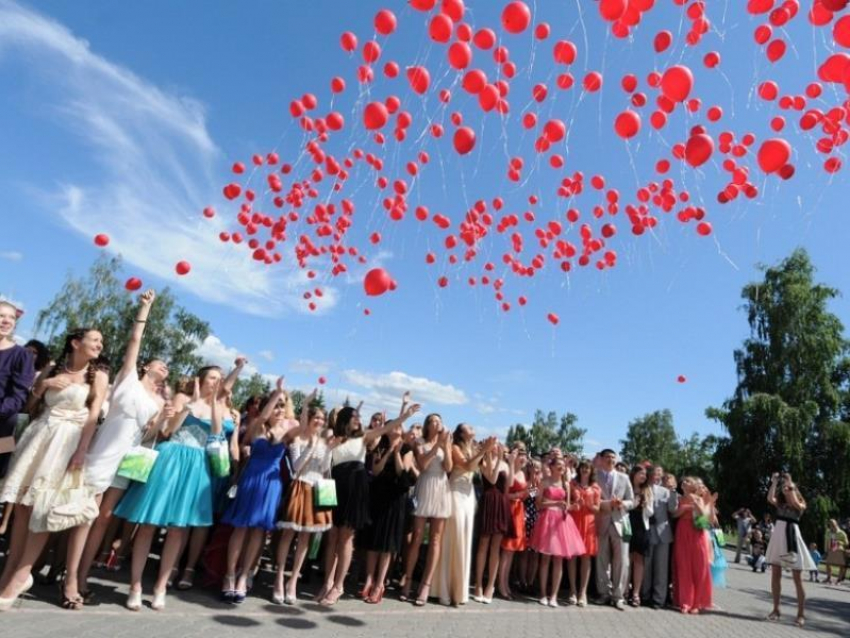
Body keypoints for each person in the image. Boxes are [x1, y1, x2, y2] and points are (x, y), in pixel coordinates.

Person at [0, 327, 109, 611]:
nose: (100, 344)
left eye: (101, 341)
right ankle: (8, 573)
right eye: (94, 339)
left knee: (42, 508)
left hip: (67, 442)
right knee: (22, 506)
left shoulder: (98, 377)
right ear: (76, 343)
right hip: (39, 437)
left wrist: (82, 450)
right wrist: (46, 385)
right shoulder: (52, 368)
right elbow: (31, 403)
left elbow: (94, 415)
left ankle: (22, 575)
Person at [73, 290, 171, 604]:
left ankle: (81, 575)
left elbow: (147, 436)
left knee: (103, 518)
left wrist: (163, 420)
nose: (165, 368)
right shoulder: (127, 379)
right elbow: (133, 343)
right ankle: (62, 567)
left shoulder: (159, 400)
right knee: (81, 512)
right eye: (160, 364)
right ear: (145, 367)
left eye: (168, 368)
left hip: (127, 459)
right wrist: (145, 309)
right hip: (103, 450)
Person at [114, 367, 224, 611]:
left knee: (177, 529)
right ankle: (135, 585)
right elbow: (168, 431)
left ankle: (161, 586)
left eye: (220, 378)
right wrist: (190, 405)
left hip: (197, 466)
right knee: (148, 524)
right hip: (171, 458)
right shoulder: (183, 399)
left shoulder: (220, 406)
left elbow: (216, 432)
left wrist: (214, 402)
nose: (217, 381)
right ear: (202, 379)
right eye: (213, 377)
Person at [316, 399, 419, 606]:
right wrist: (328, 448)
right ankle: (327, 583)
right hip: (335, 486)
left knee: (346, 537)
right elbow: (322, 463)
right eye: (355, 417)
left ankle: (338, 586)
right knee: (332, 536)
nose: (359, 420)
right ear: (345, 419)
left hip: (355, 486)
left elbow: (387, 427)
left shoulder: (363, 437)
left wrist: (405, 415)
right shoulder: (333, 438)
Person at [220, 378, 289, 603]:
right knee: (240, 529)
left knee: (258, 532)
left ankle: (243, 576)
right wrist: (277, 394)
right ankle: (229, 574)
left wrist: (294, 404)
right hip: (251, 480)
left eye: (283, 405)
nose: (279, 409)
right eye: (276, 405)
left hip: (271, 485)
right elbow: (261, 417)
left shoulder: (287, 430)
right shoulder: (258, 425)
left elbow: (299, 427)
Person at [273, 392, 332, 604]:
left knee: (305, 539)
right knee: (288, 535)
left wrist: (328, 450)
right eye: (316, 417)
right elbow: (296, 468)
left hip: (316, 491)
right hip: (300, 486)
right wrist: (310, 448)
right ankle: (279, 578)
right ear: (308, 419)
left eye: (322, 419)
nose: (319, 422)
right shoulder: (298, 438)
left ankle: (293, 582)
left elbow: (325, 470)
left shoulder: (325, 442)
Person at [358, 416, 418, 604]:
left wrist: (398, 454)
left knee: (386, 544)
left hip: (395, 499)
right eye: (394, 426)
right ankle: (369, 579)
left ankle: (379, 584)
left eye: (399, 426)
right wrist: (388, 452)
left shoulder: (407, 449)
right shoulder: (380, 446)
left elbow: (403, 472)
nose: (396, 429)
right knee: (373, 540)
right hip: (378, 495)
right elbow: (375, 471)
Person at [433, 425, 493, 607]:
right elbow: (466, 465)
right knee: (454, 537)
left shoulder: (474, 448)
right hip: (456, 493)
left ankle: (459, 591)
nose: (473, 428)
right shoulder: (455, 447)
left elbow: (490, 476)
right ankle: (443, 589)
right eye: (468, 427)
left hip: (468, 496)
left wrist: (488, 453)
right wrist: (482, 450)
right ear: (461, 433)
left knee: (465, 540)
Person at [400, 413, 453, 606]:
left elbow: (448, 468)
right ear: (427, 425)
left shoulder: (446, 442)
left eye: (440, 420)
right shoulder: (420, 441)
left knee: (435, 540)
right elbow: (422, 465)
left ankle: (425, 585)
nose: (437, 423)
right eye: (433, 421)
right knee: (417, 537)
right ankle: (407, 579)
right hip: (425, 486)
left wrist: (445, 446)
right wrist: (437, 446)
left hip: (441, 488)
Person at [530, 456, 586, 607]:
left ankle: (554, 595)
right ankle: (543, 593)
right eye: (559, 465)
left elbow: (566, 506)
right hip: (547, 519)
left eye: (563, 465)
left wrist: (575, 506)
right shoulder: (544, 482)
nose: (562, 467)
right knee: (545, 559)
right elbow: (538, 504)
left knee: (558, 559)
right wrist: (555, 502)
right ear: (552, 467)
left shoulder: (566, 484)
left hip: (562, 521)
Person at [765, 472, 813, 627]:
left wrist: (790, 484)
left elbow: (796, 502)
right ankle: (776, 610)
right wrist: (774, 482)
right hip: (779, 537)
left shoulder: (800, 505)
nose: (785, 489)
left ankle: (801, 614)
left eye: (788, 488)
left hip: (792, 539)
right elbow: (770, 498)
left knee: (797, 578)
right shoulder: (780, 504)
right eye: (784, 487)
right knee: (775, 575)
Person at [472, 442, 513, 603]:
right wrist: (492, 458)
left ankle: (490, 585)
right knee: (483, 544)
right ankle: (478, 584)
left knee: (496, 547)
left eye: (498, 445)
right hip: (488, 501)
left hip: (501, 503)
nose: (496, 447)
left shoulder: (504, 463)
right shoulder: (483, 461)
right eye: (494, 445)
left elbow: (508, 485)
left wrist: (508, 463)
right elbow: (493, 479)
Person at [594, 449, 635, 610]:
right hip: (602, 521)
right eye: (608, 457)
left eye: (613, 457)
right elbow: (592, 498)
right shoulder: (595, 476)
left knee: (622, 561)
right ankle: (603, 593)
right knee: (602, 560)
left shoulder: (624, 478)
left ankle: (618, 596)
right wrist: (607, 504)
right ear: (602, 460)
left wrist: (623, 504)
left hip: (621, 521)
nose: (611, 460)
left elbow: (632, 500)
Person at [0, 300, 35, 480]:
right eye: (1, 316)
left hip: (5, 426)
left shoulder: (22, 356)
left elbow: (19, 395)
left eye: (11, 317)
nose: (6, 321)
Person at [672, 476, 713, 614]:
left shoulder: (698, 498)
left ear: (693, 486)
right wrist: (684, 508)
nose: (684, 482)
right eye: (683, 481)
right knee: (684, 567)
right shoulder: (679, 499)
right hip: (682, 531)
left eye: (688, 481)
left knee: (699, 567)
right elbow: (675, 514)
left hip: (696, 532)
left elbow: (704, 515)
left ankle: (697, 603)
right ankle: (685, 602)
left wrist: (694, 505)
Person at [641, 465, 678, 609]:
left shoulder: (666, 491)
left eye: (659, 474)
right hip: (647, 531)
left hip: (663, 533)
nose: (657, 476)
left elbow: (672, 509)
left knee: (661, 568)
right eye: (655, 473)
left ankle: (659, 599)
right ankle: (645, 595)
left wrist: (673, 492)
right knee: (647, 566)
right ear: (649, 474)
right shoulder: (643, 488)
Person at [567, 458, 601, 606]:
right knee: (573, 556)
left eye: (588, 468)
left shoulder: (596, 488)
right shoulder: (571, 484)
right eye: (583, 467)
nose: (585, 470)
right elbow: (566, 503)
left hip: (588, 523)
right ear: (579, 469)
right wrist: (575, 504)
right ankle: (573, 591)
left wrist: (589, 505)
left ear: (591, 471)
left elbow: (598, 509)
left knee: (586, 558)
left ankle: (583, 592)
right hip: (574, 521)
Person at [498, 442, 528, 600]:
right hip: (508, 510)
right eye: (520, 455)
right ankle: (501, 585)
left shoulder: (523, 473)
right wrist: (515, 496)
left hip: (519, 511)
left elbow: (523, 494)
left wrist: (525, 493)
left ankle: (506, 584)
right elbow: (504, 492)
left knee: (511, 553)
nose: (522, 458)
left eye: (524, 456)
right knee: (506, 550)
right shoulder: (508, 470)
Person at [627, 464, 653, 607]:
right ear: (634, 474)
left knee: (639, 560)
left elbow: (651, 512)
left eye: (645, 474)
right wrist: (633, 503)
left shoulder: (647, 490)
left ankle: (636, 593)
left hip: (641, 527)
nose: (643, 476)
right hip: (626, 525)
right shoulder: (627, 486)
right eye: (640, 474)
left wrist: (645, 505)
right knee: (626, 560)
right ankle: (624, 591)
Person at [823, 518, 847, 585]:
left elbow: (846, 543)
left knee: (841, 565)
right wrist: (825, 551)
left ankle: (839, 580)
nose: (831, 526)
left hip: (839, 550)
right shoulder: (828, 532)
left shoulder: (842, 533)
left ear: (836, 524)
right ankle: (828, 578)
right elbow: (826, 541)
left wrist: (840, 542)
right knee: (828, 564)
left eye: (833, 524)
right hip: (830, 550)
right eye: (830, 524)